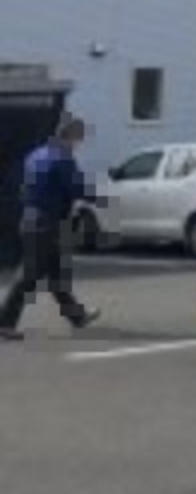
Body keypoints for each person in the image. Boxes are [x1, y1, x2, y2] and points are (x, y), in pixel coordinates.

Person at [1, 115, 102, 339]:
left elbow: (22, 187)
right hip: (47, 223)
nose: (78, 144)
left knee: (57, 275)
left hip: (30, 218)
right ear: (71, 137)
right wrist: (99, 198)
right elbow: (78, 188)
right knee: (28, 275)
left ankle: (77, 316)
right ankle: (5, 323)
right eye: (78, 139)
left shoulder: (35, 155)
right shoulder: (63, 159)